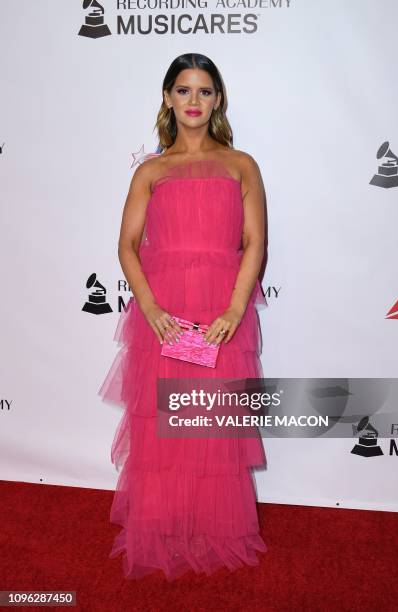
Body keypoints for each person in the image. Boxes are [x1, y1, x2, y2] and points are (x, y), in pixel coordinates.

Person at [98, 52, 269, 581]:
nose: (194, 101)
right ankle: (164, 523)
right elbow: (127, 245)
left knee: (210, 424)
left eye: (204, 91)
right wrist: (149, 307)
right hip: (164, 317)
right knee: (164, 430)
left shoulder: (242, 165)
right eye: (184, 90)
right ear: (168, 98)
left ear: (218, 99)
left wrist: (236, 309)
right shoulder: (151, 171)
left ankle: (213, 527)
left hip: (221, 314)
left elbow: (254, 243)